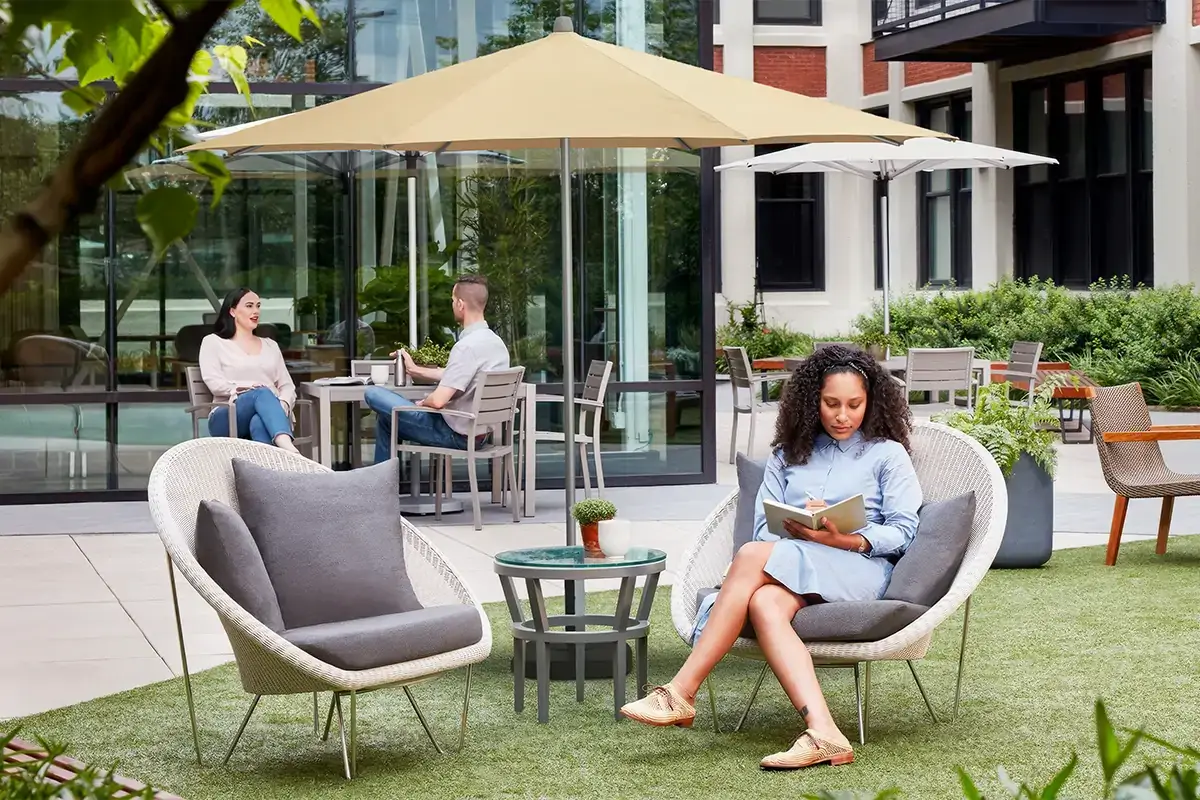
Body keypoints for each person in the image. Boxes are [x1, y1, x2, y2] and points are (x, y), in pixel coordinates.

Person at [620, 345, 921, 770]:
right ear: (812, 401)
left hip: (858, 568)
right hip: (794, 565)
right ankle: (825, 733)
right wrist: (800, 528)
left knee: (749, 556)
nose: (842, 416)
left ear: (870, 402)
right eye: (831, 403)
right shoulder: (786, 455)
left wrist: (845, 537)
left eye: (854, 404)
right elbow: (764, 530)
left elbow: (904, 531)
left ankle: (682, 691)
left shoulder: (887, 454)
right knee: (762, 601)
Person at [365, 274, 510, 464]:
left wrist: (424, 402)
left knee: (373, 392)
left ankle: (381, 489)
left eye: (452, 301)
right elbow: (458, 376)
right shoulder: (496, 344)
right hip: (480, 434)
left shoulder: (466, 347)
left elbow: (439, 401)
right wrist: (416, 370)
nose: (452, 305)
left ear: (460, 304)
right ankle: (383, 486)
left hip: (455, 435)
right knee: (386, 419)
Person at [198, 288, 299, 453]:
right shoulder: (213, 342)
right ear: (232, 311)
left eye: (258, 306)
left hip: (270, 413)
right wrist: (243, 387)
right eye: (249, 306)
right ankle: (287, 448)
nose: (256, 311)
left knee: (260, 422)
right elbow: (214, 382)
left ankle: (266, 474)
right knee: (262, 392)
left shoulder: (270, 345)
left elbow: (287, 386)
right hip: (228, 414)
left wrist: (282, 404)